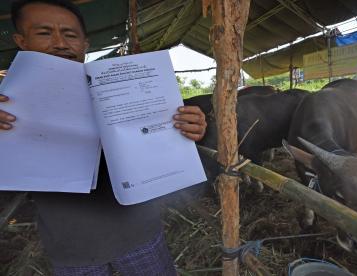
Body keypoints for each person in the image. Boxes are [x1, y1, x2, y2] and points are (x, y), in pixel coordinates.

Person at [0, 0, 207, 275]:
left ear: (85, 44)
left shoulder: (122, 88)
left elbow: (160, 138)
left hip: (139, 233)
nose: (60, 43)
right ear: (21, 41)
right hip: (72, 247)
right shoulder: (8, 103)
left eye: (70, 34)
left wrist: (191, 128)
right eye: (44, 33)